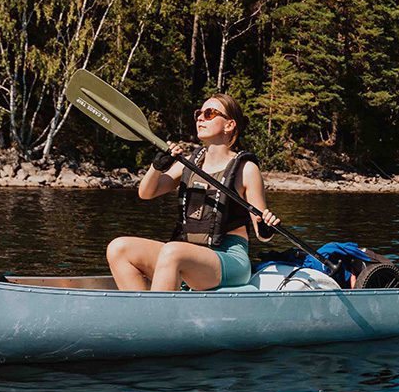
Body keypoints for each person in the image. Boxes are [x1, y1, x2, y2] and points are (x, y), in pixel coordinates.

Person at [106, 93, 279, 292]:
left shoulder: (246, 169)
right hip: (185, 253)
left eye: (209, 113)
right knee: (119, 249)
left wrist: (266, 227)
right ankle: (142, 308)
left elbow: (262, 233)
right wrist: (156, 166)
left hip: (229, 258)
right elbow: (146, 193)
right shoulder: (190, 163)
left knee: (173, 251)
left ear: (229, 125)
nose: (200, 118)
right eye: (198, 113)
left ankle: (155, 310)